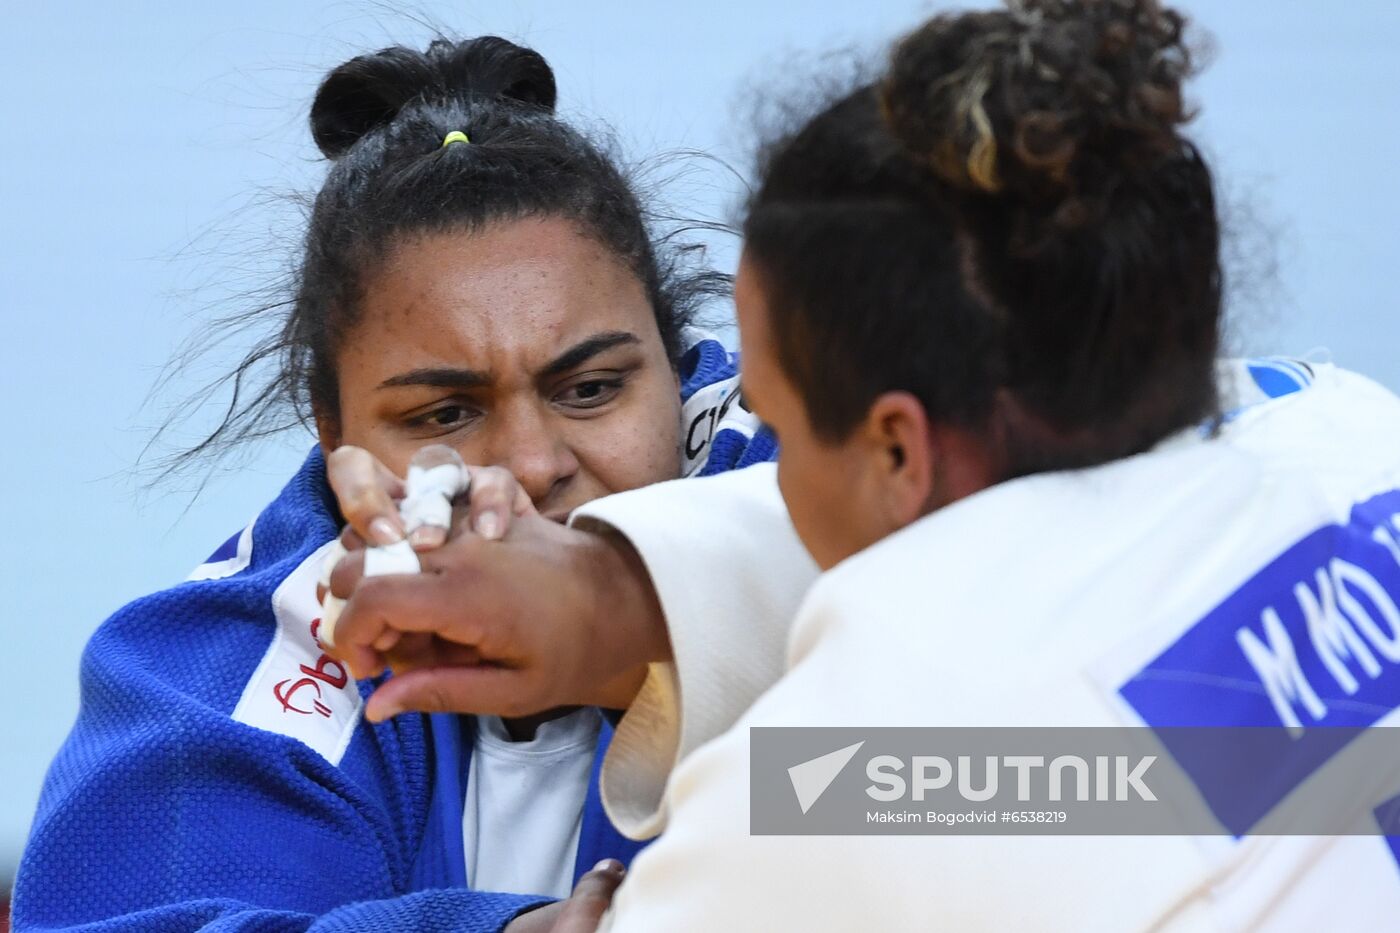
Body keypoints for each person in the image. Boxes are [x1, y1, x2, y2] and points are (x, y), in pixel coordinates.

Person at [322, 1, 1400, 929]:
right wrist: (615, 589)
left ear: (894, 447)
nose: (756, 460)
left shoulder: (846, 799)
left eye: (773, 414)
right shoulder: (1350, 437)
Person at [13, 36, 776, 932]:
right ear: (332, 431)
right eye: (444, 415)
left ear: (674, 365)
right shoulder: (218, 664)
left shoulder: (838, 494)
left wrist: (646, 647)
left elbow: (971, 796)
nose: (531, 465)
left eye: (592, 389)